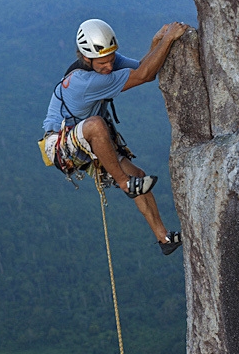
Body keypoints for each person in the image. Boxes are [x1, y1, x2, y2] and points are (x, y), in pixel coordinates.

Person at [40, 18, 188, 255]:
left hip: (87, 138)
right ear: (86, 58)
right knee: (98, 125)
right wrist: (168, 39)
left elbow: (141, 68)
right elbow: (144, 76)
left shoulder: (107, 60)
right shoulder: (83, 82)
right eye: (103, 63)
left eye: (111, 59)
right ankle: (124, 183)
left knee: (138, 176)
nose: (109, 66)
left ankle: (164, 239)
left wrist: (156, 42)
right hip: (59, 142)